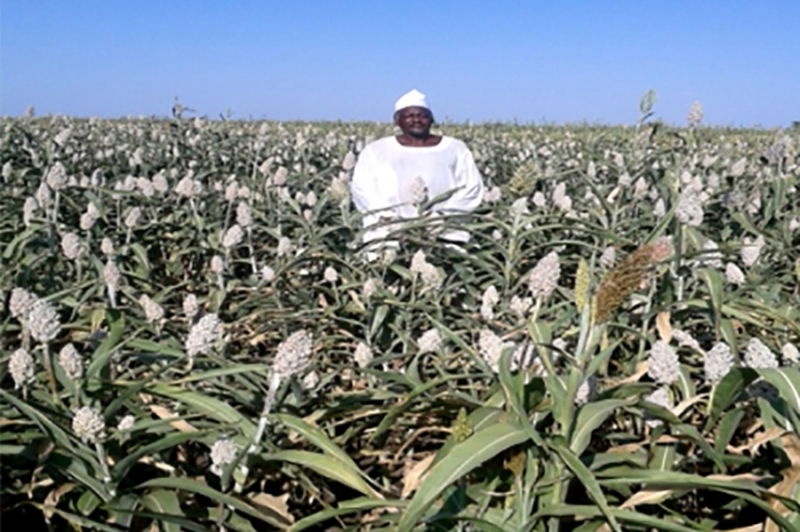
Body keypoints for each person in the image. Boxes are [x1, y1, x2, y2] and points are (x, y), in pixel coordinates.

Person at [350, 89, 484, 256]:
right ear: (396, 121)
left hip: (443, 232)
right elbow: (363, 190)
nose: (416, 120)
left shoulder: (454, 148)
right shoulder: (376, 150)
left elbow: (471, 188)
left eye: (422, 115)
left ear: (432, 119)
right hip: (389, 233)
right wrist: (388, 219)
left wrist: (442, 217)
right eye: (409, 116)